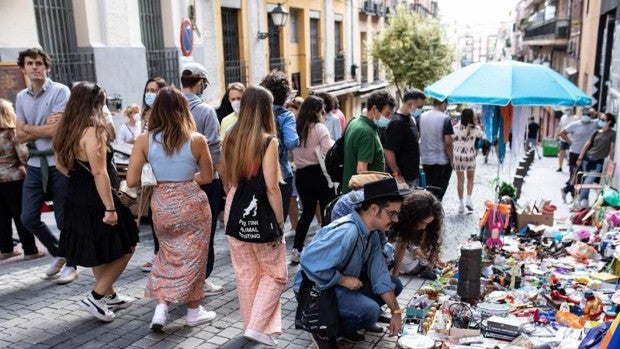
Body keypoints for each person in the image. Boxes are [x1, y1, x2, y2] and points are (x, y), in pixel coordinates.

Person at [127, 87, 217, 331]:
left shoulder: (144, 140)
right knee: (196, 257)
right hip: (192, 203)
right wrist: (185, 180)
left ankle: (161, 308)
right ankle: (193, 311)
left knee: (166, 255)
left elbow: (133, 180)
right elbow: (208, 177)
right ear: (183, 109)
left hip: (162, 203)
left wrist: (163, 179)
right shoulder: (197, 140)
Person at [53, 82, 139, 322]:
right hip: (98, 196)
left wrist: (78, 179)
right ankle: (97, 296)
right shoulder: (94, 130)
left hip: (75, 194)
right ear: (95, 103)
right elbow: (100, 172)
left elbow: (59, 164)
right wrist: (110, 208)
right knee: (129, 242)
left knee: (99, 247)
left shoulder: (65, 128)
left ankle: (110, 295)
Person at [295, 178, 406, 347]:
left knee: (394, 284)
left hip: (334, 284)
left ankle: (345, 327)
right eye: (392, 213)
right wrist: (342, 279)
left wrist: (396, 311)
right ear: (374, 209)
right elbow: (308, 260)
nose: (396, 219)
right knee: (370, 311)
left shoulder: (372, 233)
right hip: (315, 288)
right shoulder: (348, 231)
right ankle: (323, 331)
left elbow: (380, 275)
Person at [222, 86, 288, 347]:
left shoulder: (231, 135)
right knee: (275, 273)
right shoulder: (267, 140)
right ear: (265, 109)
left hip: (235, 206)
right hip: (261, 210)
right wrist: (281, 223)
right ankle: (258, 327)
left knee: (246, 272)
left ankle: (254, 327)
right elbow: (271, 187)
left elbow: (226, 178)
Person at [14, 48, 77, 284]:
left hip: (58, 162)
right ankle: (59, 250)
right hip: (33, 164)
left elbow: (55, 131)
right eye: (29, 63)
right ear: (23, 68)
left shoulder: (60, 91)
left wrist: (29, 127)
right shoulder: (21, 97)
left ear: (46, 67)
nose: (35, 67)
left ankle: (71, 264)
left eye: (39, 63)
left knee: (63, 219)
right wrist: (35, 130)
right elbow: (19, 136)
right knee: (28, 217)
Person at [181, 62, 224, 295]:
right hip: (206, 181)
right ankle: (202, 279)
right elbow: (215, 150)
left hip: (177, 182)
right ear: (201, 83)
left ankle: (186, 277)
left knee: (185, 233)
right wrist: (226, 181)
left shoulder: (168, 109)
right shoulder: (206, 111)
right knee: (204, 232)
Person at [290, 96, 336, 264]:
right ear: (316, 111)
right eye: (322, 110)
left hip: (301, 175)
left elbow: (290, 154)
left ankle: (297, 248)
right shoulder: (319, 129)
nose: (323, 113)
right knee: (325, 212)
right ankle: (325, 249)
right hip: (319, 174)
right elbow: (327, 151)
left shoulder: (296, 127)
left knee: (307, 213)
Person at [0, 98, 43, 260]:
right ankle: (30, 250)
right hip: (14, 178)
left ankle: (5, 249)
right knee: (20, 215)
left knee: (1, 217)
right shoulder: (11, 133)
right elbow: (23, 155)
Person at [259, 71, 300, 225]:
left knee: (261, 219)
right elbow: (291, 142)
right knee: (277, 221)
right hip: (281, 172)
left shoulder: (256, 114)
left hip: (258, 173)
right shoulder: (286, 115)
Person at [139, 77, 167, 273]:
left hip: (162, 169)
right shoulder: (145, 113)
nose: (150, 94)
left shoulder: (165, 116)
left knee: (160, 212)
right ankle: (158, 253)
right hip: (149, 170)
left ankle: (162, 254)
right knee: (153, 211)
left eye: (155, 90)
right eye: (148, 90)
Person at [342, 90, 395, 194]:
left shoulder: (354, 122)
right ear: (374, 109)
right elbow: (362, 170)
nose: (389, 119)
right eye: (387, 114)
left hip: (351, 191)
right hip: (362, 195)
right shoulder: (367, 132)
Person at [392, 190, 443, 280]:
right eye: (422, 222)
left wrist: (431, 264)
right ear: (413, 217)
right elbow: (401, 245)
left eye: (427, 223)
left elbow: (434, 240)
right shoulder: (399, 218)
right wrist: (395, 276)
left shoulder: (430, 226)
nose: (423, 227)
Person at [384, 89, 426, 188]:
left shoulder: (410, 119)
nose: (420, 110)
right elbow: (388, 151)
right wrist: (397, 174)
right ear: (411, 104)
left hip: (412, 175)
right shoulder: (397, 123)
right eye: (419, 107)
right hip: (404, 179)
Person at [576, 113, 616, 209]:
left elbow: (612, 149)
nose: (600, 121)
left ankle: (582, 202)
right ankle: (583, 203)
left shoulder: (612, 133)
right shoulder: (596, 132)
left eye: (603, 119)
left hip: (598, 161)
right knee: (586, 181)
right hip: (587, 159)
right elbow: (587, 144)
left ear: (609, 121)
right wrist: (580, 157)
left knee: (587, 183)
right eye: (600, 119)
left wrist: (611, 162)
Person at [418, 98, 454, 201]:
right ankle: (435, 211)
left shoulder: (421, 117)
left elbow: (417, 136)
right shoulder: (445, 118)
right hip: (441, 160)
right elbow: (448, 143)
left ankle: (429, 211)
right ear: (443, 104)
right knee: (439, 190)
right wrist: (452, 160)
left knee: (428, 188)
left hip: (425, 159)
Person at [559, 109, 598, 203]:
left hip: (586, 154)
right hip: (574, 153)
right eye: (584, 114)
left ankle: (567, 191)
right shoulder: (575, 124)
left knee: (579, 176)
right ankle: (571, 194)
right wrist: (570, 142)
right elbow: (562, 133)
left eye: (589, 114)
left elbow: (602, 117)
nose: (586, 116)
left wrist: (594, 112)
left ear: (591, 116)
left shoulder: (594, 123)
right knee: (574, 174)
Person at [452, 108, 482, 213]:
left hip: (457, 156)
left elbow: (450, 140)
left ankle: (460, 204)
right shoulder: (476, 129)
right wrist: (476, 122)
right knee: (470, 178)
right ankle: (468, 199)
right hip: (470, 156)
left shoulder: (454, 128)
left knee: (460, 180)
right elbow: (480, 135)